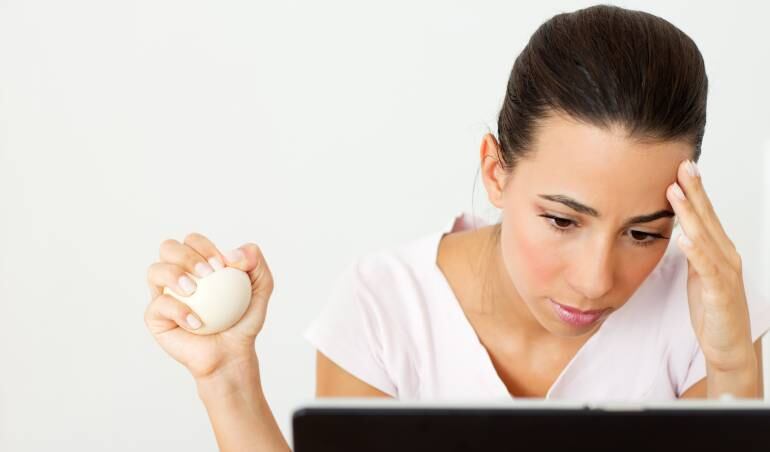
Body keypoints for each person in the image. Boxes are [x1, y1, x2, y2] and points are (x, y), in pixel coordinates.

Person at [144, 4, 770, 451]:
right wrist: (227, 380)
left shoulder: (705, 311)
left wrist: (730, 361)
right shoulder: (385, 307)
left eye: (643, 233)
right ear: (496, 171)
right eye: (561, 219)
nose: (595, 280)